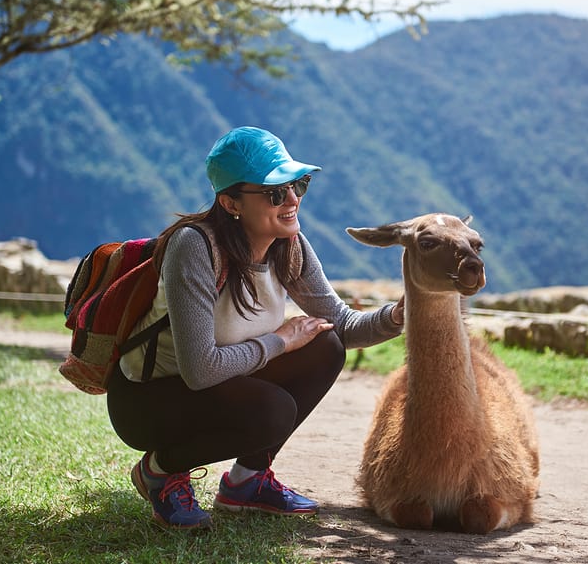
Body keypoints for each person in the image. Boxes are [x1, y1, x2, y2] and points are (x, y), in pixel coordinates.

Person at [105, 126, 405, 529]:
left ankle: (246, 484)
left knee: (326, 345)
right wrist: (280, 340)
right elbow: (200, 370)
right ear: (230, 202)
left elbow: (344, 325)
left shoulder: (289, 246)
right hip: (148, 401)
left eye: (298, 185)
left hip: (218, 385)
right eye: (275, 193)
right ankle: (160, 471)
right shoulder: (195, 246)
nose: (294, 200)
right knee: (274, 410)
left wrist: (401, 315)